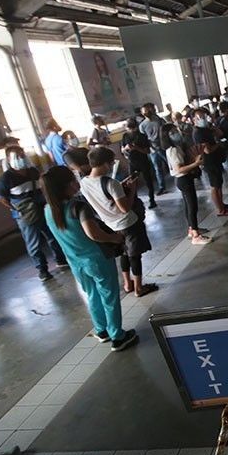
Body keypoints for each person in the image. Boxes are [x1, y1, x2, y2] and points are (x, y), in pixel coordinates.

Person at [41, 166, 139, 352]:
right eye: (74, 179)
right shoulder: (78, 207)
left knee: (93, 294)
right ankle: (118, 336)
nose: (77, 181)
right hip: (96, 259)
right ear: (68, 184)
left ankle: (101, 330)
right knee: (109, 296)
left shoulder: (48, 210)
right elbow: (94, 234)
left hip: (75, 262)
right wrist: (114, 237)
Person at [80, 147, 158, 297]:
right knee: (134, 255)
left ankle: (128, 284)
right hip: (128, 223)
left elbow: (104, 199)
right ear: (103, 164)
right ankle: (139, 288)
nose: (111, 167)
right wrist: (132, 189)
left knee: (124, 253)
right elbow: (125, 208)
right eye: (110, 163)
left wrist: (121, 188)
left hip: (110, 225)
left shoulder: (84, 182)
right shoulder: (110, 183)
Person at [0, 146, 69, 280]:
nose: (21, 158)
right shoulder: (5, 179)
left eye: (22, 155)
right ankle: (42, 269)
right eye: (17, 156)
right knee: (33, 243)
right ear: (8, 159)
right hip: (25, 215)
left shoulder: (33, 171)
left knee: (52, 235)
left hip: (42, 209)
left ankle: (60, 260)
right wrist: (17, 208)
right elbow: (2, 198)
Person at [162, 124, 211, 245]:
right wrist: (196, 163)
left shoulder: (175, 147)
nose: (176, 133)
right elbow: (179, 169)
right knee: (192, 206)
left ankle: (191, 228)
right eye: (172, 132)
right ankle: (196, 235)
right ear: (166, 136)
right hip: (183, 179)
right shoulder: (173, 150)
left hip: (182, 180)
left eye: (175, 130)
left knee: (188, 205)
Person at [193, 108, 228, 216]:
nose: (203, 119)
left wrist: (212, 126)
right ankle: (220, 210)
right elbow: (208, 150)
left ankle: (221, 204)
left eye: (204, 116)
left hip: (216, 160)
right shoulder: (198, 133)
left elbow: (220, 133)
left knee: (219, 184)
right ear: (194, 120)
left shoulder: (206, 129)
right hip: (209, 162)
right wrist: (218, 144)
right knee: (215, 186)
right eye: (200, 117)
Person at [121, 118, 157, 210]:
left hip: (143, 161)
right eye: (129, 128)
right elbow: (122, 149)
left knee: (148, 182)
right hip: (132, 161)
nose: (131, 130)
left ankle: (152, 200)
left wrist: (136, 148)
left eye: (132, 128)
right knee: (131, 183)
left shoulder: (141, 136)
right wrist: (126, 148)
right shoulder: (125, 136)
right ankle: (134, 202)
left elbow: (147, 151)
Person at [138, 104, 168, 195]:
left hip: (163, 146)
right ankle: (162, 187)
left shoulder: (159, 120)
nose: (147, 112)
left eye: (148, 110)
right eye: (145, 111)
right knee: (157, 168)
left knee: (170, 164)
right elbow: (143, 139)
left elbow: (165, 130)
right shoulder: (142, 125)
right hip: (152, 149)